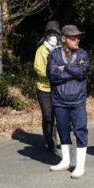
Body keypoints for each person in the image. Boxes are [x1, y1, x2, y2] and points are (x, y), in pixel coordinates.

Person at [47, 24, 91, 178]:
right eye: (73, 37)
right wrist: (73, 69)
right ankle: (65, 161)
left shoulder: (83, 54)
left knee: (80, 131)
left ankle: (80, 166)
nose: (77, 40)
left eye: (78, 37)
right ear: (64, 39)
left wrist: (65, 67)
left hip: (78, 100)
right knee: (63, 130)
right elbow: (52, 75)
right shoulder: (54, 55)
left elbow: (82, 73)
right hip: (59, 100)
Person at [34, 21, 62, 151]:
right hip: (44, 89)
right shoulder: (41, 50)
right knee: (48, 116)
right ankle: (50, 141)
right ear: (46, 35)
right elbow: (38, 68)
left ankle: (60, 139)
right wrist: (53, 74)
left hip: (59, 88)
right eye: (50, 33)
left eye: (55, 33)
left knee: (60, 115)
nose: (53, 36)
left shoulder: (61, 49)